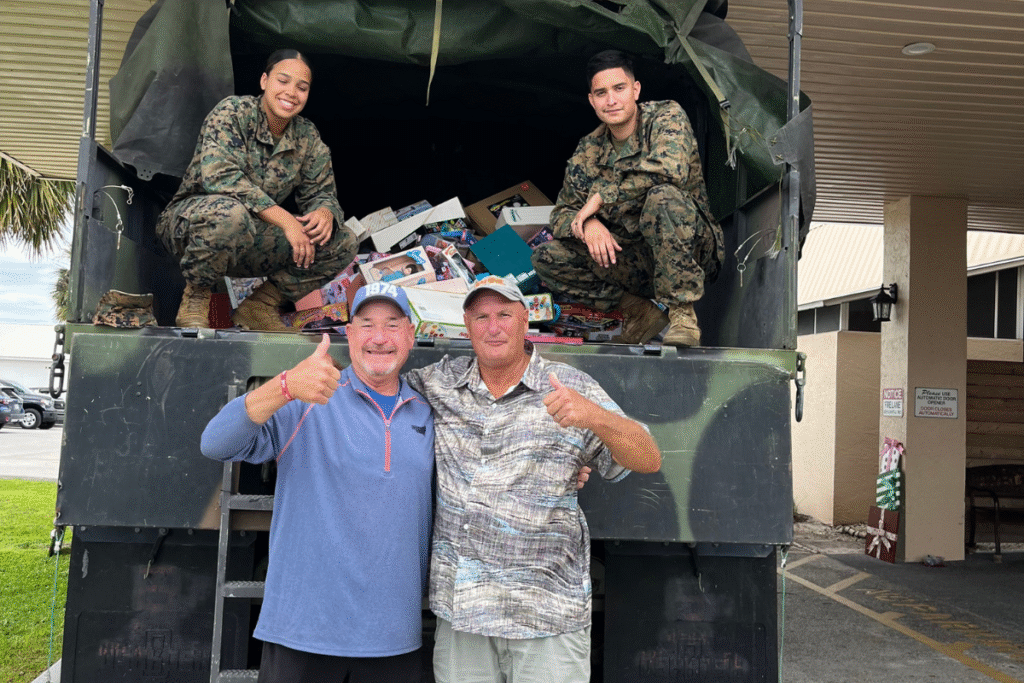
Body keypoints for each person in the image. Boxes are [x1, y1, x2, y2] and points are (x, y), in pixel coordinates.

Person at [406, 274, 662, 683]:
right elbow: (377, 392)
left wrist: (593, 416)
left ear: (526, 321)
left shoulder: (569, 386)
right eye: (481, 316)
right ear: (466, 326)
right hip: (465, 619)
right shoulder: (439, 384)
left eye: (505, 314)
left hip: (546, 617)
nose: (494, 327)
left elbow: (648, 457)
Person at [200, 283, 433, 683]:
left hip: (393, 637)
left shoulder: (428, 412)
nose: (379, 337)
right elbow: (215, 443)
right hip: (301, 633)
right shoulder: (309, 397)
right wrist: (284, 386)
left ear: (411, 335)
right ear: (349, 334)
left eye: (392, 325)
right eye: (367, 325)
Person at [532, 49, 724, 347]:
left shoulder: (665, 117)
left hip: (688, 249)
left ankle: (683, 315)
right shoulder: (589, 150)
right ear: (591, 100)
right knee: (547, 256)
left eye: (619, 89)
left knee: (663, 198)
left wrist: (600, 199)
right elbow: (561, 214)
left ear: (635, 90)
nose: (611, 100)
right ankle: (639, 314)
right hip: (631, 257)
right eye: (601, 93)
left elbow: (668, 170)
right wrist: (590, 223)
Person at [157, 49, 357, 331]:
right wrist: (286, 219)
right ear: (264, 80)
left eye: (302, 87)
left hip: (249, 237)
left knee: (343, 240)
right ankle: (196, 298)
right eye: (283, 81)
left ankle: (259, 307)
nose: (291, 92)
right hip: (190, 227)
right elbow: (220, 177)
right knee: (231, 215)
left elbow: (321, 192)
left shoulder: (307, 136)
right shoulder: (233, 113)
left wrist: (325, 211)